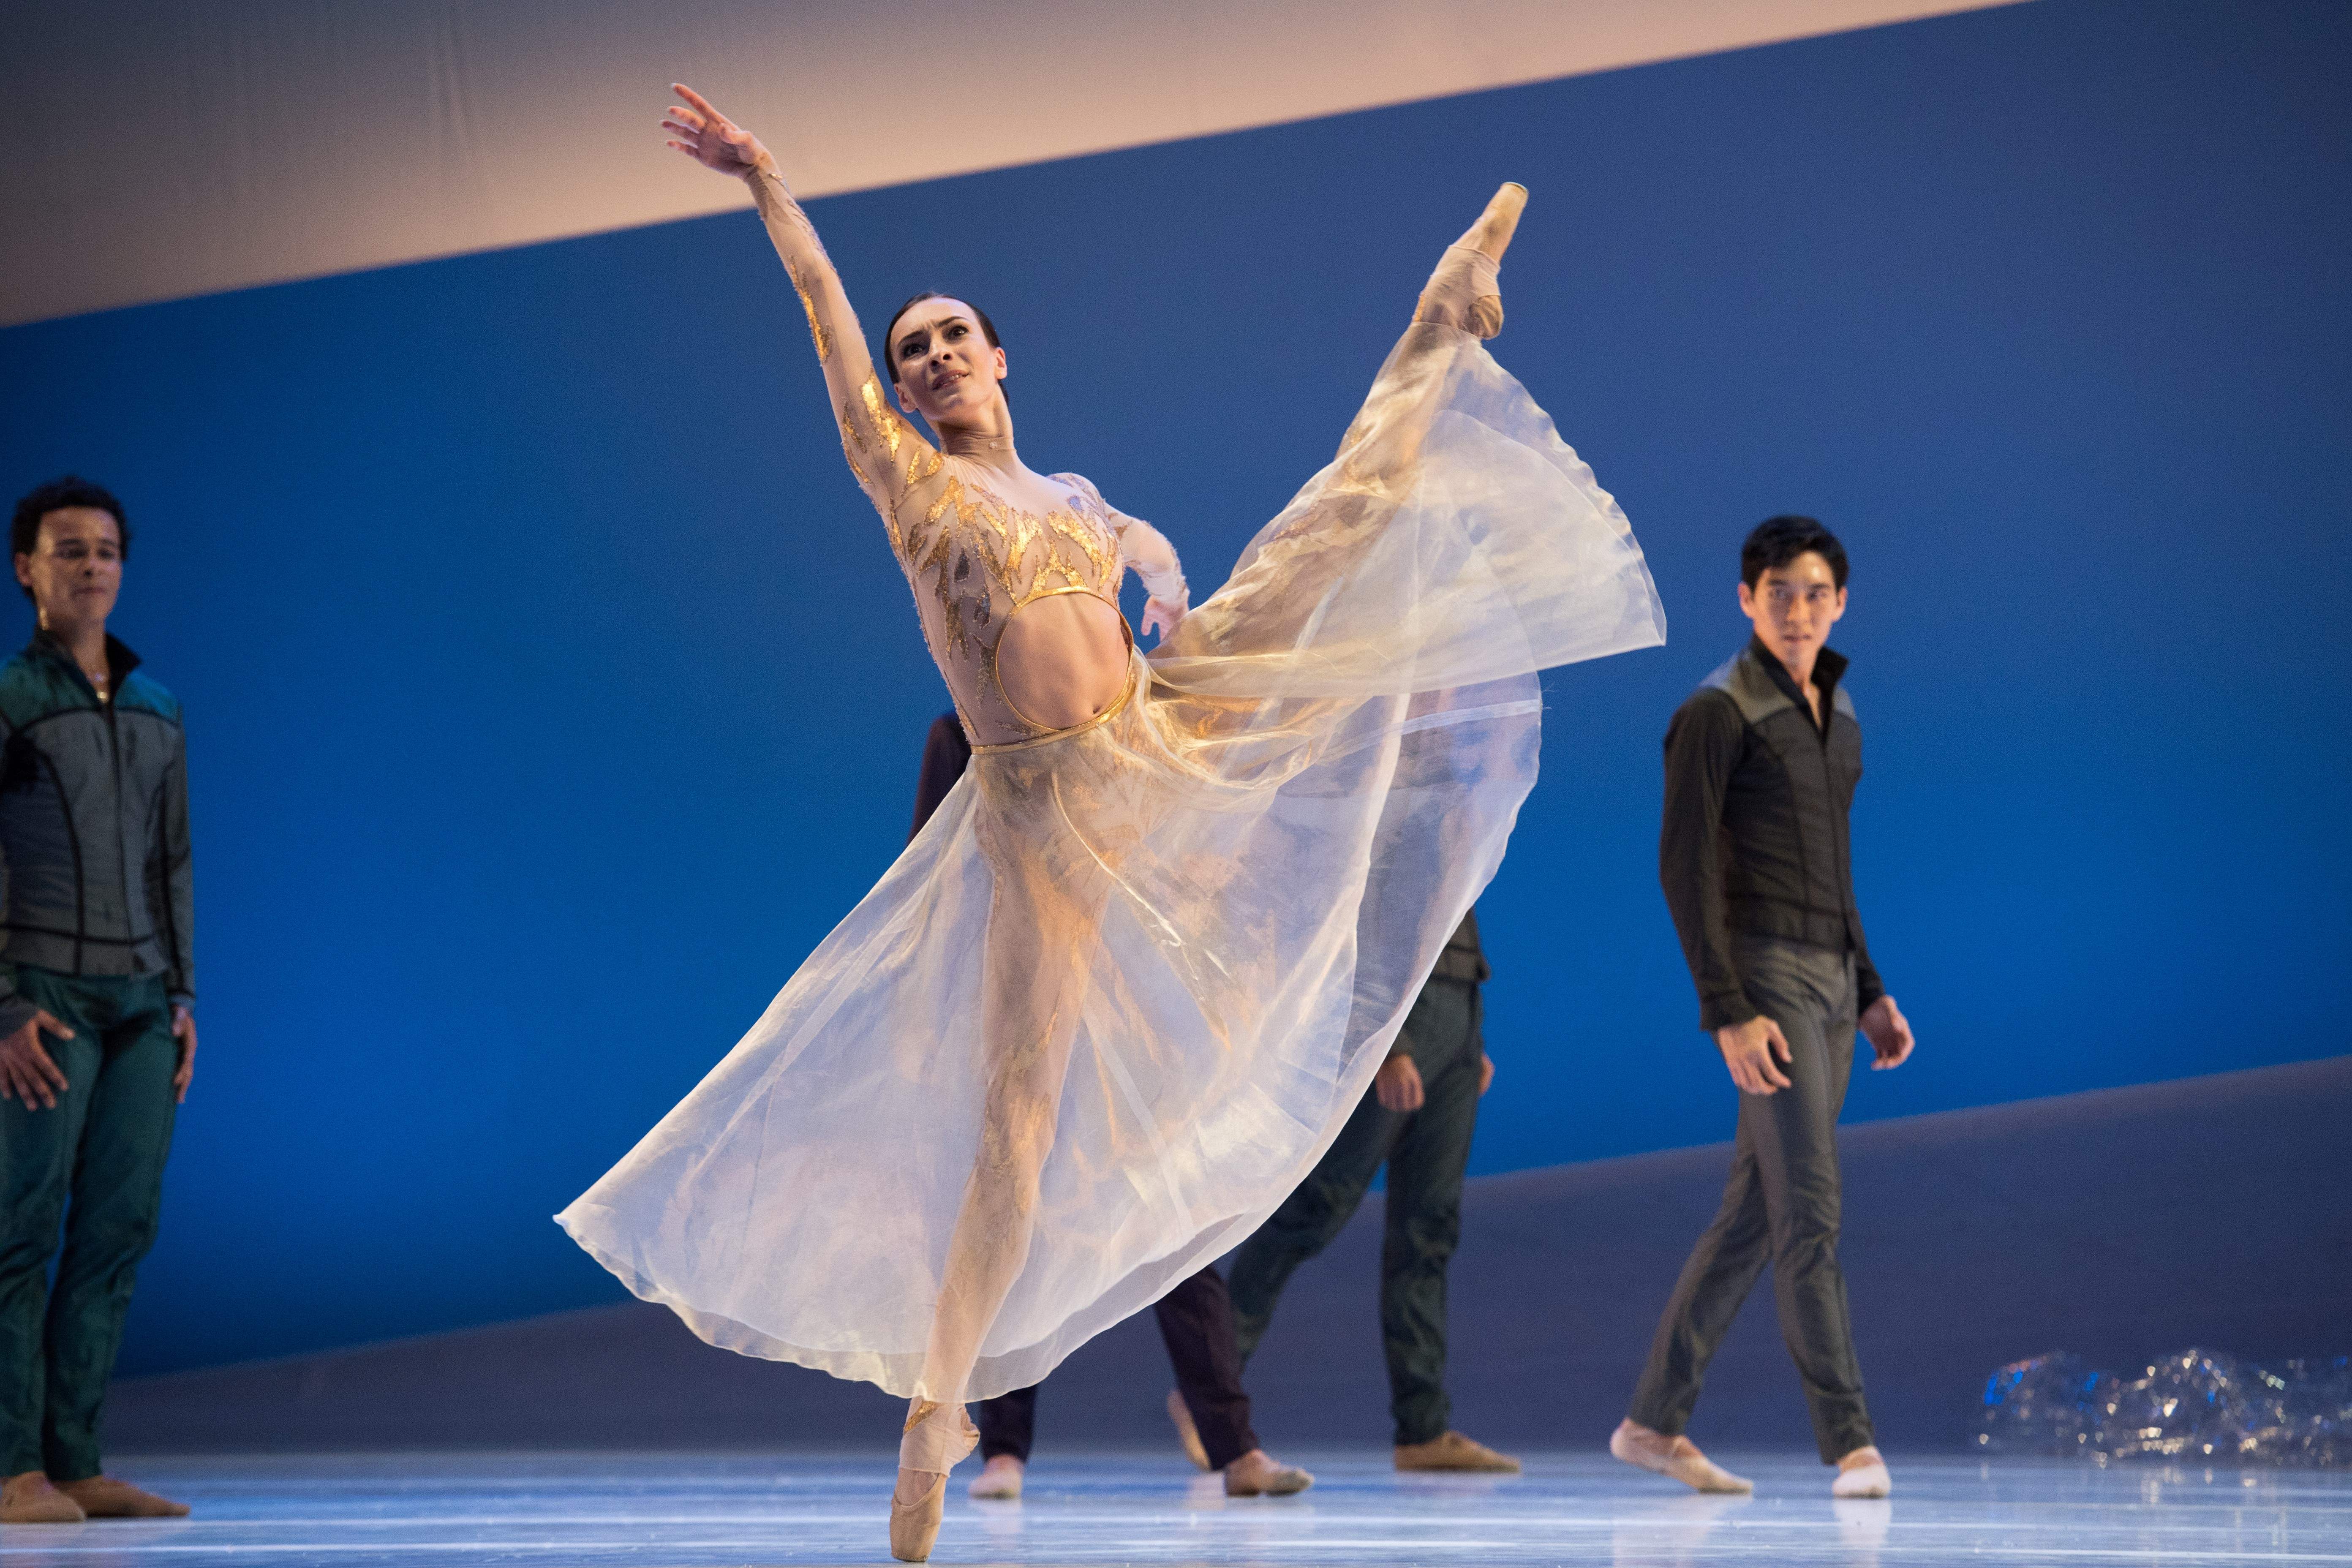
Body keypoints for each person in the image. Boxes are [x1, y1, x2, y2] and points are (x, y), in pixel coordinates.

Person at [558, 83, 1664, 1563]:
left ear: (1001, 357)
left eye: (953, 335)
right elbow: (826, 323)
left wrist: (1153, 561)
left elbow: (1130, 535)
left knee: (1323, 542)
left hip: (1154, 740)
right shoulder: (916, 491)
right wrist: (766, 185)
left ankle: (1433, 321)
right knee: (1014, 1134)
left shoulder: (1066, 491)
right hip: (1039, 815)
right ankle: (932, 1417)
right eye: (912, 353)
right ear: (902, 395)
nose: (933, 355)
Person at [910, 712, 1311, 1503]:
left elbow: (1177, 849)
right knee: (1015, 1215)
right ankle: (1005, 1450)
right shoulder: (964, 728)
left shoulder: (1118, 718)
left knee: (1172, 1223)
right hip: (1021, 996)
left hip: (1126, 999)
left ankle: (1237, 1449)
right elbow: (932, 866)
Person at [1610, 516, 1916, 1500]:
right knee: (1810, 1212)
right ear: (1747, 599)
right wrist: (1727, 1010)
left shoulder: (1841, 713)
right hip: (1767, 981)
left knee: (1754, 1214)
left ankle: (1653, 1422)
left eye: (1816, 592)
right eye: (1778, 591)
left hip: (1832, 984)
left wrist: (1869, 987)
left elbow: (1839, 868)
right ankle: (1852, 1442)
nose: (1797, 609)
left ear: (1841, 602)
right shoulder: (1717, 712)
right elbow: (1683, 868)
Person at [0, 478, 196, 1525]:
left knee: (119, 1227)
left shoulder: (160, 707)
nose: (90, 566)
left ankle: (75, 1460)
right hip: (41, 998)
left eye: (106, 549)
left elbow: (174, 862)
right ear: (25, 568)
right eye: (67, 549)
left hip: (139, 1002)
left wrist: (183, 993)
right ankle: (8, 1466)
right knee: (20, 1227)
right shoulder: (10, 700)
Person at [1227, 907, 1521, 1475]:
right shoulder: (1389, 811)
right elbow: (1359, 904)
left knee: (1429, 1230)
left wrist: (1466, 1036)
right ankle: (1212, 1389)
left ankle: (1423, 1430)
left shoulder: (1455, 814)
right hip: (1403, 1012)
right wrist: (1390, 1042)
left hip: (1459, 1002)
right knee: (1318, 1206)